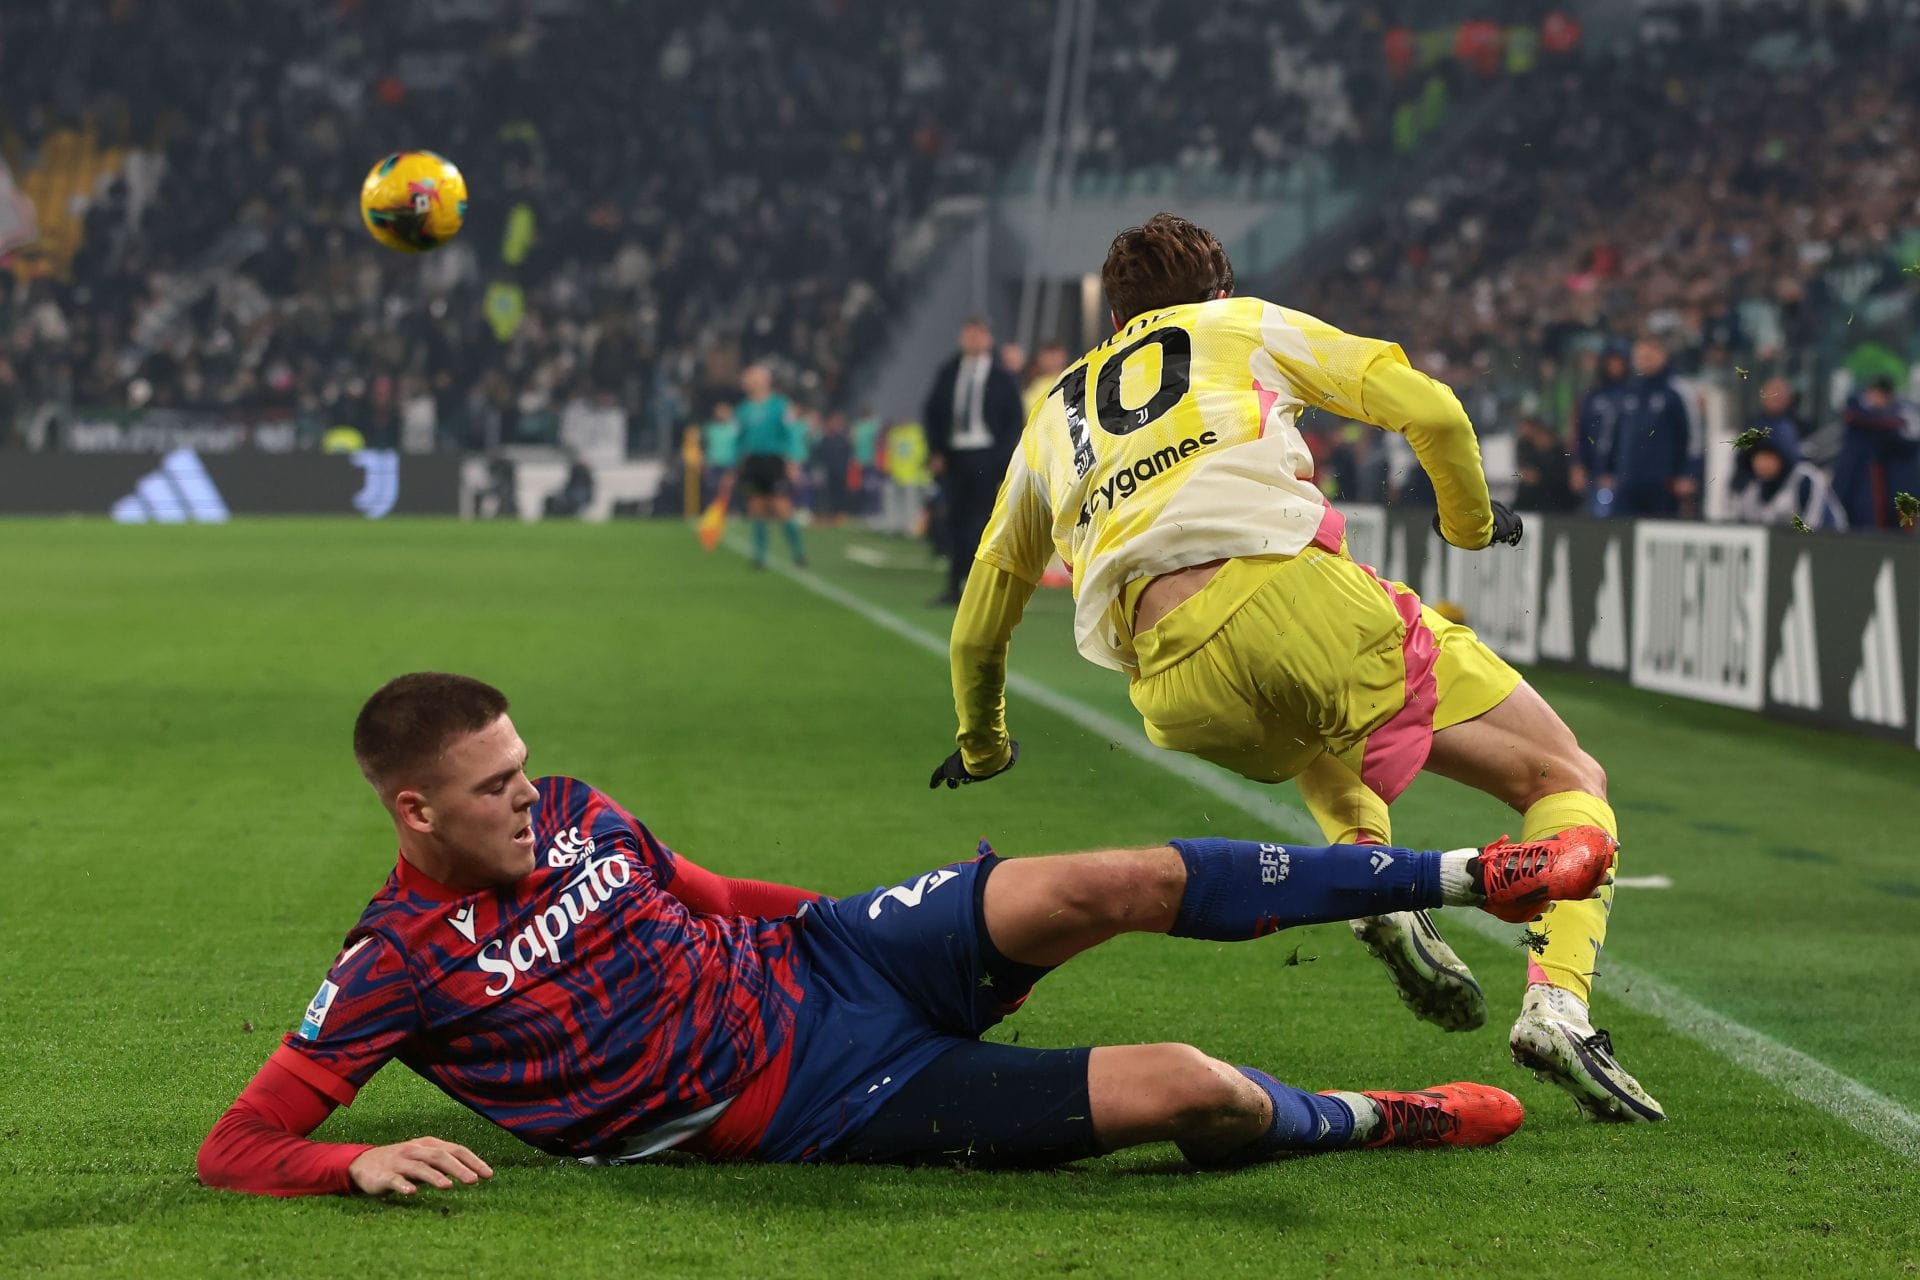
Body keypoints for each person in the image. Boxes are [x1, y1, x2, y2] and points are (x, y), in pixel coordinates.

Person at [196, 673, 1616, 1196]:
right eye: (493, 787)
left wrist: (834, 917)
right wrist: (356, 1157)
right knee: (1194, 1088)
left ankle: (1458, 874)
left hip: (829, 964)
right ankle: (1381, 1119)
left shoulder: (574, 809)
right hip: (814, 1101)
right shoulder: (393, 965)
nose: (528, 795)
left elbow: (694, 890)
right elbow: (239, 1144)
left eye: (521, 767)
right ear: (415, 810)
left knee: (1096, 878)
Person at [933, 213, 1665, 1124]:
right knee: (1565, 775)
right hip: (1289, 602)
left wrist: (983, 743)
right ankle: (1559, 1005)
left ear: (1115, 314)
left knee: (1318, 722)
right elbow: (1432, 409)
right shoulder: (1238, 326)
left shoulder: (1053, 414)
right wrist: (1472, 524)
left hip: (1173, 687)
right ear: (1219, 288)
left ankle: (1368, 874)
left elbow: (978, 625)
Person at [922, 318, 1025, 605]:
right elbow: (932, 412)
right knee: (954, 520)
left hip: (985, 454)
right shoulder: (949, 372)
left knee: (980, 522)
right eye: (968, 335)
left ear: (989, 339)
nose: (973, 341)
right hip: (955, 456)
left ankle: (979, 587)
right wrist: (936, 451)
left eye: (979, 335)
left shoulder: (1001, 377)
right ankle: (954, 586)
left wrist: (1000, 458)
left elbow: (1013, 420)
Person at [1597, 337, 1699, 518]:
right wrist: (1608, 469)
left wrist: (1688, 473)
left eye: (1649, 356)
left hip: (1663, 483)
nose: (1644, 360)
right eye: (1640, 356)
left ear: (1662, 356)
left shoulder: (1676, 392)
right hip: (1627, 481)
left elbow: (1691, 436)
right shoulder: (1627, 392)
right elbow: (1613, 434)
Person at [732, 365, 807, 569]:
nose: (748, 381)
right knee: (756, 508)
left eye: (753, 377)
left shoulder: (780, 406)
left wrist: (793, 461)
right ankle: (759, 556)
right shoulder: (743, 409)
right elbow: (739, 440)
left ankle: (798, 553)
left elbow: (792, 434)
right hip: (752, 463)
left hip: (773, 461)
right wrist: (734, 466)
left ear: (765, 380)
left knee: (781, 507)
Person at [1831, 376, 1919, 531]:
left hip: (1892, 494)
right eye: (1871, 394)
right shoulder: (1858, 419)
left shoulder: (1898, 427)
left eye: (1878, 395)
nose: (1873, 400)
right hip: (1855, 488)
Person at [1569, 344, 1629, 514]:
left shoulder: (1633, 396)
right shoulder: (1592, 396)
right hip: (1593, 472)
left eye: (1619, 362)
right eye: (1611, 361)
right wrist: (1577, 464)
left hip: (1624, 474)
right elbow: (1580, 433)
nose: (1614, 366)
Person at [1513, 415, 1577, 513]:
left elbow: (1560, 479)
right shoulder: (1528, 451)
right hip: (1533, 501)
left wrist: (1539, 477)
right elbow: (1519, 474)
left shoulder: (1560, 453)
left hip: (1556, 503)